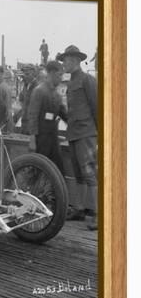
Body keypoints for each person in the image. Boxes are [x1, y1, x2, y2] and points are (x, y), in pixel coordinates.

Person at [58, 45, 98, 230]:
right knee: (79, 175)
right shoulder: (71, 82)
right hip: (74, 134)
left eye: (65, 61)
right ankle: (80, 210)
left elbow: (97, 108)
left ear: (74, 61)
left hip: (86, 134)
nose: (64, 64)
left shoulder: (87, 80)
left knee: (90, 175)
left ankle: (97, 214)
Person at [27, 60, 68, 173]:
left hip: (53, 138)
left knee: (59, 170)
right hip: (40, 139)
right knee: (38, 170)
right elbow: (33, 115)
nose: (61, 78)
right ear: (51, 73)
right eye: (59, 75)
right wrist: (32, 140)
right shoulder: (39, 91)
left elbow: (65, 115)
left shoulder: (57, 95)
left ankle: (56, 191)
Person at [0, 65, 14, 132]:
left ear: (0, 74)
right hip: (8, 120)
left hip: (3, 122)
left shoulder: (0, 88)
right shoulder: (6, 86)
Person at [18, 63, 38, 134]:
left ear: (33, 74)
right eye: (25, 74)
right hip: (24, 121)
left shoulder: (37, 87)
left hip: (32, 123)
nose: (25, 76)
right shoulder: (26, 86)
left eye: (28, 74)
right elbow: (21, 99)